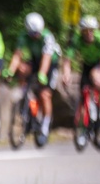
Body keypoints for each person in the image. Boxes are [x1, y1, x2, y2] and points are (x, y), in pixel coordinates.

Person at [5, 12, 62, 146]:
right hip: (36, 60)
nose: (35, 37)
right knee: (22, 68)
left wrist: (42, 74)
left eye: (37, 34)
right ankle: (25, 93)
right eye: (33, 34)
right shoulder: (23, 36)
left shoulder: (47, 37)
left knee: (44, 94)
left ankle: (45, 126)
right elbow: (17, 55)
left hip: (51, 62)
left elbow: (46, 58)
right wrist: (10, 70)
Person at [62, 15, 100, 125]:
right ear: (81, 32)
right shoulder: (77, 40)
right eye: (85, 31)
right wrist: (66, 74)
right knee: (83, 89)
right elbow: (68, 59)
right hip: (87, 63)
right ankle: (90, 107)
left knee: (96, 79)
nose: (88, 34)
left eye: (91, 31)